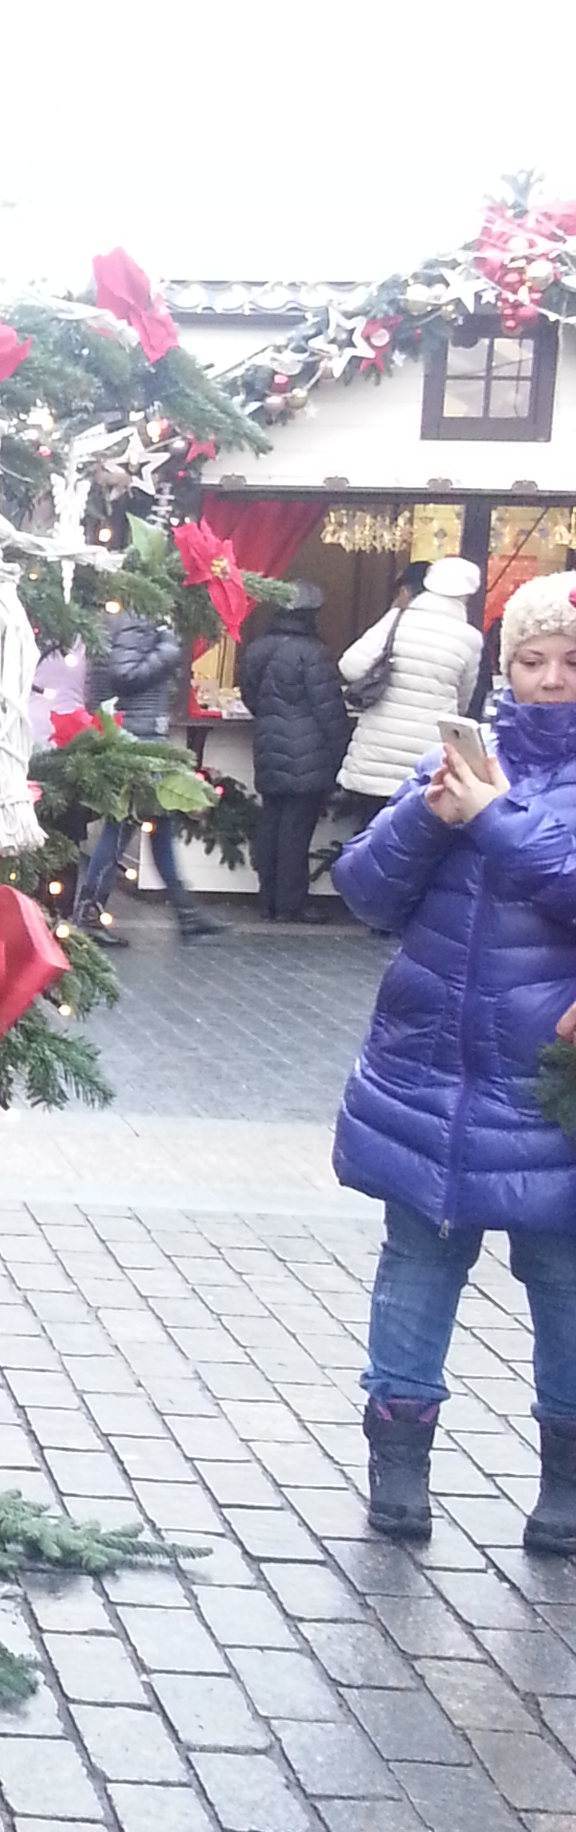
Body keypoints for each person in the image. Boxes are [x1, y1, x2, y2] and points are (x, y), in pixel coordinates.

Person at [332, 569, 576, 1556]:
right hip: (430, 1067)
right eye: (533, 659)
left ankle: (565, 1484)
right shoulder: (460, 762)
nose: (551, 678)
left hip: (549, 1084)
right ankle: (399, 1465)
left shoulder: (509, 792)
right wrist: (424, 814)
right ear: (505, 666)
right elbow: (366, 894)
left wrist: (491, 817)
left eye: (570, 661)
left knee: (563, 1278)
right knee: (417, 1267)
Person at [71, 603, 220, 938]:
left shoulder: (120, 616)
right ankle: (90, 912)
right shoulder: (139, 619)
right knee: (122, 827)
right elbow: (124, 675)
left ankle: (185, 911)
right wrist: (169, 648)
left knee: (159, 825)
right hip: (136, 737)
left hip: (131, 731)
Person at [235, 582, 351, 922]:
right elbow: (329, 712)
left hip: (268, 745)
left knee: (271, 821)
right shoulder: (314, 653)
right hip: (309, 752)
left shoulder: (257, 648)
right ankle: (291, 904)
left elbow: (251, 697)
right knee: (296, 831)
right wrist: (341, 752)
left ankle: (267, 899)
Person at [336, 555, 483, 804]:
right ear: (467, 595)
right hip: (427, 760)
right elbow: (463, 701)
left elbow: (350, 667)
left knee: (371, 825)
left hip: (375, 755)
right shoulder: (470, 638)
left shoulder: (397, 619)